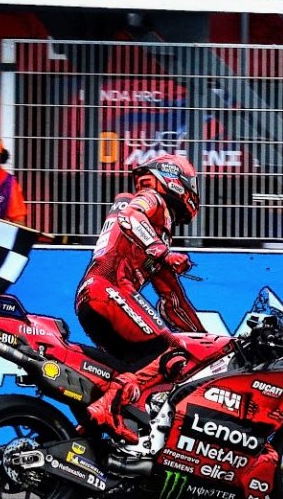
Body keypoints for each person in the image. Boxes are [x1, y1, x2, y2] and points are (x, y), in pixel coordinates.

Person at [75, 155, 204, 444]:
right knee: (172, 350)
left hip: (92, 297)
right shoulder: (151, 199)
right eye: (191, 183)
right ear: (174, 178)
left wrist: (205, 342)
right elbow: (130, 217)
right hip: (110, 291)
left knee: (144, 365)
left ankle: (98, 432)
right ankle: (106, 407)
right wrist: (161, 250)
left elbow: (173, 299)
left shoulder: (152, 235)